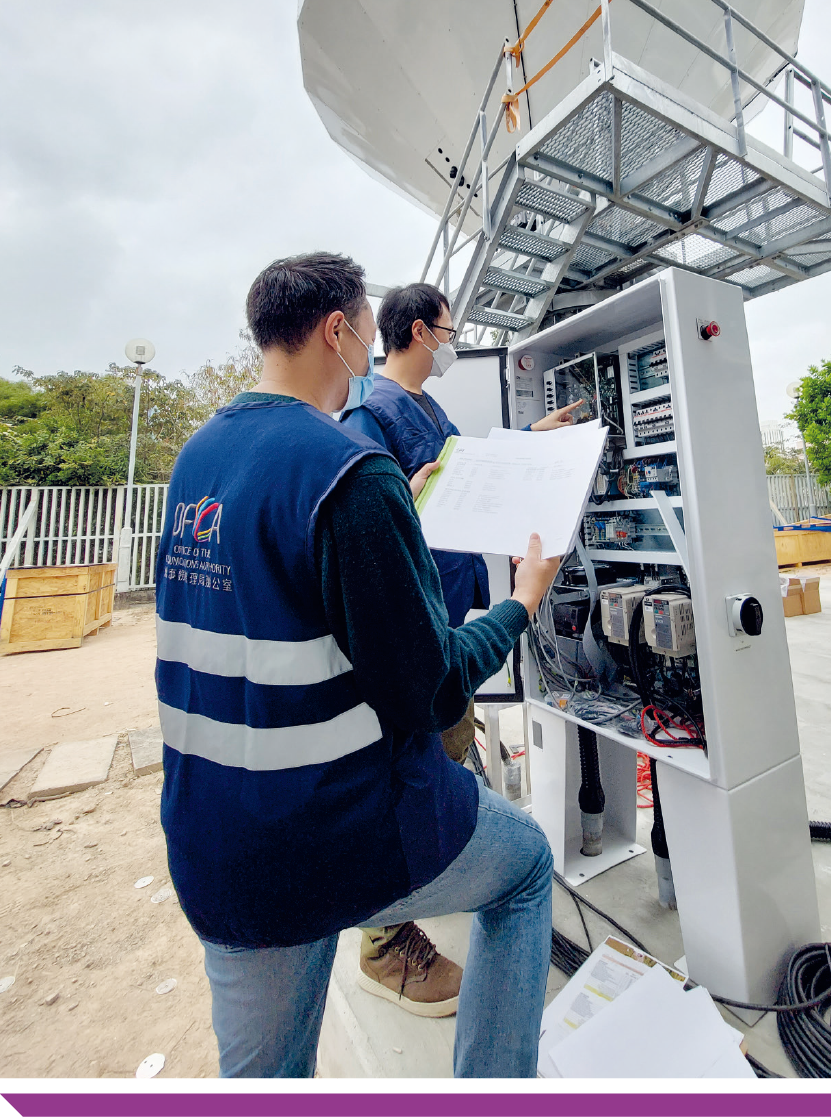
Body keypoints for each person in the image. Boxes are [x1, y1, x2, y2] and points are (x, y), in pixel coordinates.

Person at [155, 252, 561, 1079]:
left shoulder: (198, 458)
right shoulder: (349, 469)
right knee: (523, 869)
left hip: (216, 844)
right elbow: (431, 689)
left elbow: (286, 596)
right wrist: (519, 604)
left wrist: (391, 522)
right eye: (368, 338)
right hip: (334, 833)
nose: (371, 360)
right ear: (338, 331)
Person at [341, 282, 580, 1015]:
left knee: (447, 766)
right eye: (448, 331)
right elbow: (377, 525)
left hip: (445, 623)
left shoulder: (423, 408)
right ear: (419, 330)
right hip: (416, 637)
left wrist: (532, 448)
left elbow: (462, 474)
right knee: (411, 784)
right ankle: (384, 947)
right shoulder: (370, 413)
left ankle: (431, 881)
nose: (451, 343)